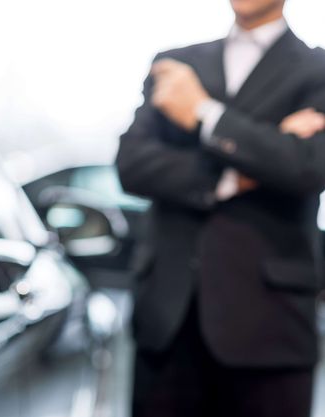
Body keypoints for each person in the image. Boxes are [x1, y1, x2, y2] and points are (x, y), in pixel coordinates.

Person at [116, 0, 325, 416]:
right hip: (167, 322)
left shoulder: (317, 70)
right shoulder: (174, 65)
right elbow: (133, 166)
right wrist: (246, 167)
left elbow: (308, 166)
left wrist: (203, 111)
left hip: (270, 329)